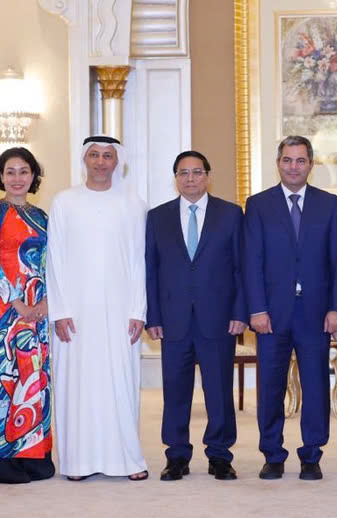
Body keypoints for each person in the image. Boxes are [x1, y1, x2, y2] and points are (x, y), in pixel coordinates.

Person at [244, 135, 337, 480]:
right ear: (278, 163)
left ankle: (311, 454)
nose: (293, 167)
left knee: (316, 384)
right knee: (270, 386)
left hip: (316, 314)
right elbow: (252, 261)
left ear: (310, 164)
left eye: (300, 161)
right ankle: (272, 454)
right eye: (287, 160)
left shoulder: (329, 203)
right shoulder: (258, 204)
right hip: (271, 315)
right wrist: (256, 309)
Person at [46, 135, 149, 481]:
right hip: (75, 313)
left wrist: (138, 309)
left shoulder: (134, 203)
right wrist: (58, 310)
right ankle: (77, 462)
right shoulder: (64, 201)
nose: (101, 162)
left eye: (107, 156)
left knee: (120, 383)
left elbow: (139, 262)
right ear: (84, 160)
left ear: (117, 161)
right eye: (94, 155)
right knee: (76, 385)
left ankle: (127, 460)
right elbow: (55, 260)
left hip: (121, 311)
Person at [145, 151, 246, 481]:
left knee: (218, 390)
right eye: (183, 173)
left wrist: (239, 312)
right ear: (175, 177)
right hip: (173, 319)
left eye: (197, 172)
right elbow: (152, 269)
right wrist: (153, 316)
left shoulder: (231, 214)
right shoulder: (157, 217)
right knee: (175, 389)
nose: (190, 178)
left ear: (208, 175)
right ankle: (176, 455)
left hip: (218, 318)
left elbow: (240, 268)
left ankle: (219, 455)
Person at [0, 147, 54, 483]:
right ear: (1, 177)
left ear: (34, 176)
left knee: (35, 379)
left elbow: (55, 262)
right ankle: (3, 461)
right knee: (4, 381)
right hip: (4, 309)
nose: (18, 178)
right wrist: (18, 303)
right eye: (11, 171)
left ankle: (35, 454)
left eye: (24, 171)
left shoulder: (45, 218)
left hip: (40, 309)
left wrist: (47, 301)